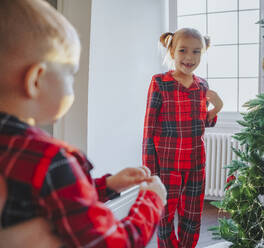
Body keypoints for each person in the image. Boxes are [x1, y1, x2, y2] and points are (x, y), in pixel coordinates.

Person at [0, 0, 167, 247]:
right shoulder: (51, 160)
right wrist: (152, 200)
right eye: (71, 74)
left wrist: (107, 185)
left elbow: (56, 202)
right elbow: (113, 242)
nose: (72, 86)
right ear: (36, 80)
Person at [142, 28, 223, 248]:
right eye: (183, 50)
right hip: (166, 164)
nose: (189, 57)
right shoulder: (159, 82)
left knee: (192, 217)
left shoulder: (202, 86)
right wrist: (150, 170)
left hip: (195, 163)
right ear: (172, 51)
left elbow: (201, 123)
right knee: (163, 216)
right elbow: (149, 127)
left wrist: (217, 107)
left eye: (196, 52)